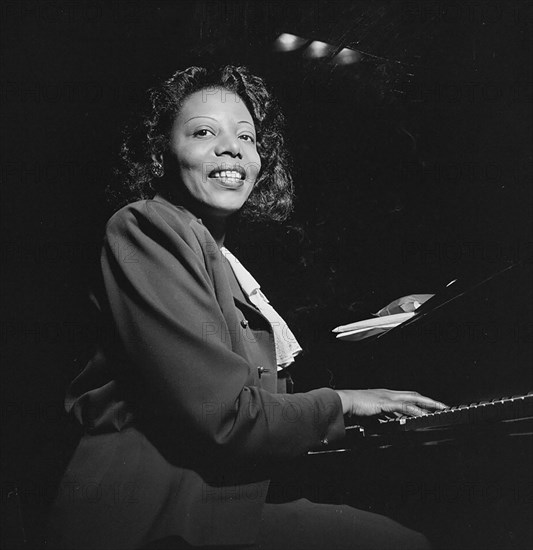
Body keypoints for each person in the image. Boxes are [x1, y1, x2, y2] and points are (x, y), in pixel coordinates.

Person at [47, 65, 446, 550]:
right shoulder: (146, 227)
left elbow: (266, 390)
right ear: (161, 154)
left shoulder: (222, 259)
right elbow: (226, 416)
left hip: (215, 507)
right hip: (151, 520)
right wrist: (345, 402)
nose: (232, 147)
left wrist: (393, 322)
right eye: (202, 132)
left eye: (246, 136)